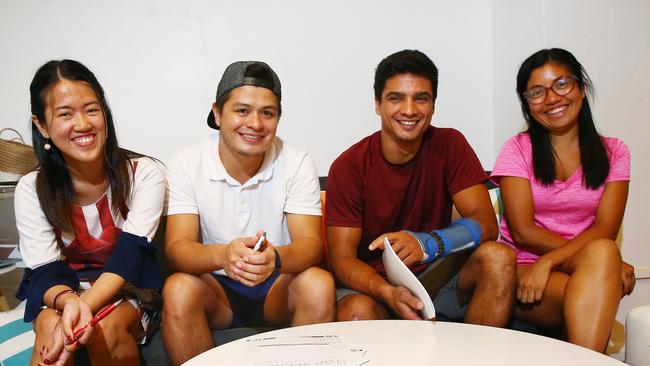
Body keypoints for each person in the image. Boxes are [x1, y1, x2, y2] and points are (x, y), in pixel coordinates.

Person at [162, 61, 336, 365]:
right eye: (242, 111)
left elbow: (310, 245)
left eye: (267, 113)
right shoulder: (186, 162)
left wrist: (275, 259)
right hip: (217, 289)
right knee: (177, 288)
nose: (255, 124)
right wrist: (223, 256)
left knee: (319, 283)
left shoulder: (296, 161)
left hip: (277, 287)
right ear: (217, 113)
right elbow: (177, 249)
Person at [325, 49, 515, 325]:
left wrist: (427, 243)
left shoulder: (450, 145)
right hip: (373, 286)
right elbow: (342, 261)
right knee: (357, 313)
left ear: (434, 105)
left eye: (421, 98)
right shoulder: (348, 166)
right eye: (396, 98)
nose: (410, 110)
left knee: (499, 257)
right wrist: (388, 292)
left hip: (437, 275)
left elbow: (486, 224)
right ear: (377, 104)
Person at [14, 60, 165, 366]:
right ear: (41, 125)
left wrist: (82, 309)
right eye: (65, 114)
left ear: (105, 114)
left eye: (91, 110)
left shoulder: (144, 174)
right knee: (48, 326)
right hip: (62, 292)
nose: (82, 124)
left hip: (128, 289)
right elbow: (43, 271)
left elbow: (130, 259)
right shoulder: (32, 188)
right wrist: (70, 301)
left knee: (101, 327)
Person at [491, 48, 635, 352]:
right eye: (537, 92)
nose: (552, 98)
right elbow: (523, 231)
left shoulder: (616, 151)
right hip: (525, 268)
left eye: (561, 84)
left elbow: (606, 227)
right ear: (527, 104)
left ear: (581, 89)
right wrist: (601, 262)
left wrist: (553, 260)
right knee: (594, 286)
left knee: (601, 257)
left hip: (576, 263)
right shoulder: (517, 150)